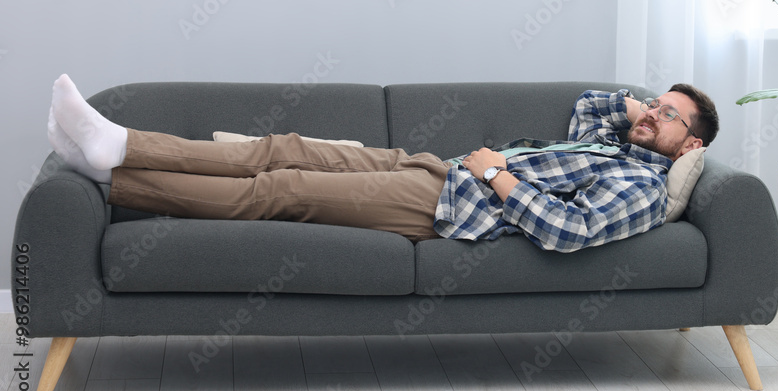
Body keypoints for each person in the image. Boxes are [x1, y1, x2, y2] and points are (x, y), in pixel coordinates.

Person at [47, 75, 718, 252]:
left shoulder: (641, 187)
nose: (652, 113)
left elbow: (569, 232)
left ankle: (119, 177)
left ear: (692, 148)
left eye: (670, 115)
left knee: (282, 186)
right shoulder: (610, 142)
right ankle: (121, 145)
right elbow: (591, 104)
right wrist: (644, 108)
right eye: (655, 102)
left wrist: (494, 173)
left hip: (452, 206)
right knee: (284, 147)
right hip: (440, 168)